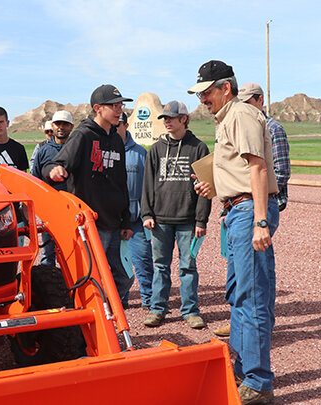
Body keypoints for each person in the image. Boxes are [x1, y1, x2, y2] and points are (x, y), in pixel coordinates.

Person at [189, 60, 279, 404]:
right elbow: (242, 169)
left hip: (248, 212)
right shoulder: (229, 116)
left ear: (225, 87)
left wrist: (259, 221)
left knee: (252, 296)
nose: (203, 100)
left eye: (207, 92)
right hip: (237, 208)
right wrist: (217, 189)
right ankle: (244, 371)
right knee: (243, 293)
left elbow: (257, 168)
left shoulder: (240, 114)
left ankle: (257, 383)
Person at [42, 85, 134, 306]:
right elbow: (54, 163)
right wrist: (53, 170)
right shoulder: (83, 135)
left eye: (120, 104)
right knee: (92, 278)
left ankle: (103, 312)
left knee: (125, 277)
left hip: (115, 223)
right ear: (98, 108)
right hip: (92, 225)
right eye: (114, 105)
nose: (119, 109)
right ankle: (91, 323)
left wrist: (126, 219)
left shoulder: (116, 140)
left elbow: (121, 182)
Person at [140, 100, 211, 329]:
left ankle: (190, 311)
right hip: (160, 221)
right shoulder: (157, 149)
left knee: (188, 267)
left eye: (171, 117)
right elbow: (148, 184)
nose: (167, 121)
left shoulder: (199, 148)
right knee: (160, 266)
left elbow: (205, 187)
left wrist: (201, 219)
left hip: (188, 222)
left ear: (184, 119)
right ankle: (157, 309)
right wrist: (146, 214)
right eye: (164, 118)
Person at [115, 112, 153, 310]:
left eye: (118, 124)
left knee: (143, 261)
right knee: (119, 264)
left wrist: (146, 213)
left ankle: (149, 299)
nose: (115, 127)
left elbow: (148, 187)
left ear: (126, 125)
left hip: (136, 219)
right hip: (113, 221)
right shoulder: (106, 152)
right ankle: (121, 299)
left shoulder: (140, 153)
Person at [238, 82, 291, 211]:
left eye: (247, 102)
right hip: (240, 201)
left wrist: (256, 194)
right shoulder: (240, 129)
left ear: (260, 99)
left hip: (266, 201)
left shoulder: (274, 129)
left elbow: (282, 172)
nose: (243, 107)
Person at [31, 111, 74, 266]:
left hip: (72, 208)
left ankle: (72, 288)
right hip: (50, 209)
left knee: (73, 250)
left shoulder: (77, 149)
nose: (61, 127)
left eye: (65, 124)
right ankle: (48, 288)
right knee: (48, 252)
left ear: (71, 127)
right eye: (57, 124)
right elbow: (35, 180)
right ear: (52, 126)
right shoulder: (43, 151)